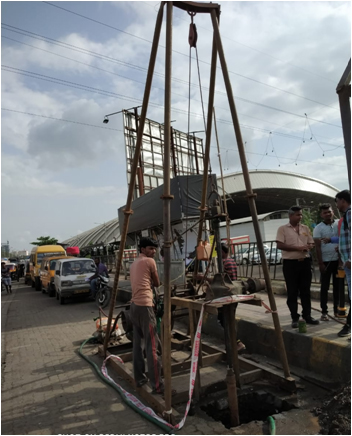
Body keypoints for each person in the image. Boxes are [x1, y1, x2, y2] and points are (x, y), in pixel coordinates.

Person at [129, 237, 164, 394]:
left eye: (155, 249)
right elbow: (157, 283)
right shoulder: (150, 262)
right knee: (152, 346)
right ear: (142, 249)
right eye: (150, 248)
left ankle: (140, 379)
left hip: (134, 306)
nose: (153, 251)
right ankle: (157, 385)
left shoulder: (134, 263)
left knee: (138, 344)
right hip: (145, 306)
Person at [276, 205, 319, 328]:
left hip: (304, 262)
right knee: (292, 291)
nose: (300, 217)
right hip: (290, 264)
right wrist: (298, 248)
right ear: (290, 215)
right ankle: (295, 317)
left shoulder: (305, 228)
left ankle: (307, 315)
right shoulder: (282, 229)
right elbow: (280, 245)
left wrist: (309, 246)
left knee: (305, 291)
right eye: (298, 215)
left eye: (301, 214)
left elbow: (310, 242)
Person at [313, 204, 339, 320]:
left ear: (333, 212)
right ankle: (324, 312)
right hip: (326, 262)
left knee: (337, 287)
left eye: (329, 212)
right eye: (325, 213)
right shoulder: (318, 228)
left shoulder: (339, 224)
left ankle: (337, 310)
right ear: (321, 215)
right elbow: (317, 247)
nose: (327, 214)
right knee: (325, 287)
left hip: (339, 262)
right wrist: (321, 263)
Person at [334, 190, 351, 338]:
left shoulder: (350, 214)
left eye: (337, 201)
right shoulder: (346, 215)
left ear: (343, 200)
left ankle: (348, 326)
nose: (337, 205)